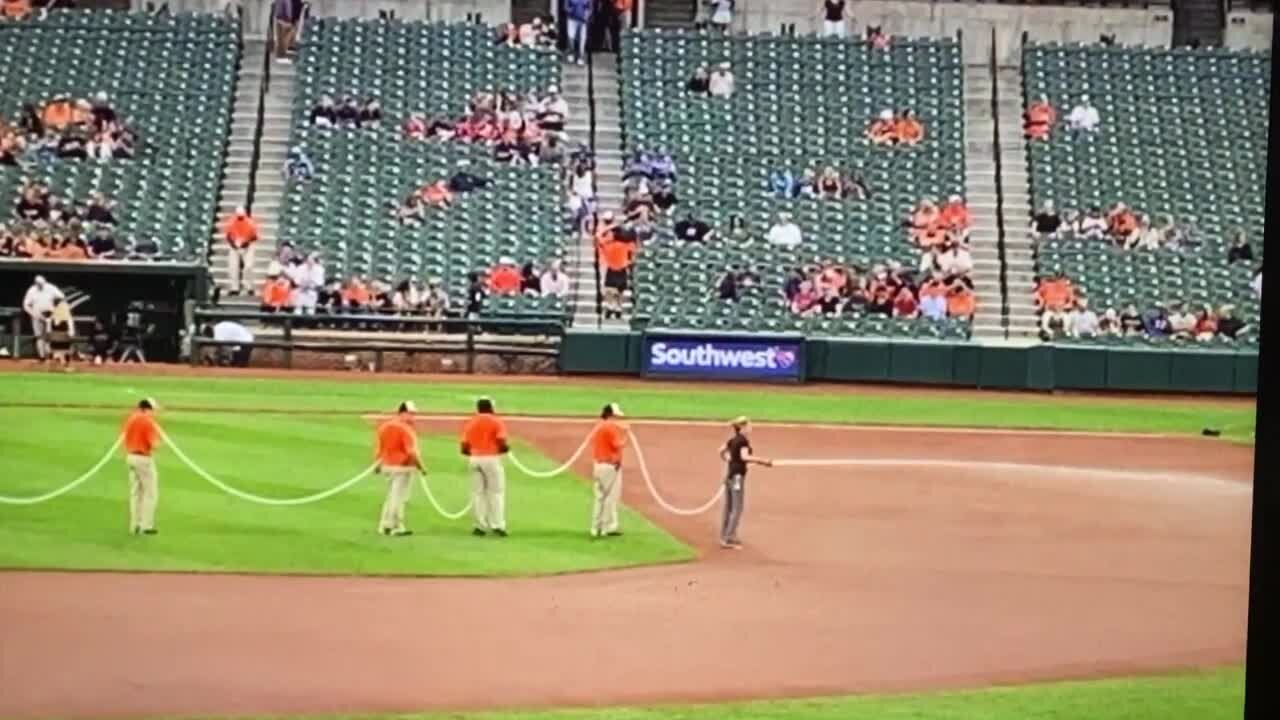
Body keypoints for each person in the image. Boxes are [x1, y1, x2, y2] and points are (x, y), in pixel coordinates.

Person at [718, 416, 772, 550]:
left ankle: (725, 535)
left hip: (730, 475)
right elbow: (745, 457)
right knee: (737, 507)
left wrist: (728, 460)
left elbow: (720, 451)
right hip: (737, 477)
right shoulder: (743, 441)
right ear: (743, 427)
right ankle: (729, 538)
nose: (751, 427)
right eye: (749, 425)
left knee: (728, 507)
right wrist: (763, 461)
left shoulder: (733, 440)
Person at [460, 397, 510, 537]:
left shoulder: (471, 422)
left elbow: (464, 445)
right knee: (496, 492)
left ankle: (480, 526)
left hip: (474, 458)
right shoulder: (496, 421)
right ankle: (498, 525)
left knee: (478, 493)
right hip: (491, 458)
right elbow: (501, 440)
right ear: (491, 408)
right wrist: (504, 449)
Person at [375, 401, 424, 537]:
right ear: (403, 413)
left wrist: (377, 465)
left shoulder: (385, 426)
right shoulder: (406, 429)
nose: (413, 417)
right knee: (399, 498)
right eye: (411, 414)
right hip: (402, 467)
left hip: (387, 466)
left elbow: (379, 448)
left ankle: (384, 525)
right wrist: (421, 467)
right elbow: (411, 452)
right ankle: (395, 526)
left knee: (391, 496)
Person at [122, 398, 163, 535]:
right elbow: (155, 445)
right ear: (147, 409)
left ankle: (135, 525)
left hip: (130, 457)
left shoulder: (131, 419)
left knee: (136, 493)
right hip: (143, 459)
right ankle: (146, 525)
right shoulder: (147, 422)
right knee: (150, 493)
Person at [590, 403, 628, 538]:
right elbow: (619, 444)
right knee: (610, 498)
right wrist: (626, 435)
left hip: (598, 465)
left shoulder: (599, 426)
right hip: (610, 467)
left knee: (599, 498)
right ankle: (606, 528)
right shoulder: (611, 428)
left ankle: (595, 528)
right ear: (611, 415)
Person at [23, 275, 64, 361]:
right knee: (39, 336)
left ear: (45, 282)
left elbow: (61, 297)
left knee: (49, 336)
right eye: (38, 284)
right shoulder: (32, 290)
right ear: (36, 283)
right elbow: (25, 305)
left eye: (42, 283)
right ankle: (42, 357)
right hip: (37, 316)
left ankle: (50, 355)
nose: (40, 285)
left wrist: (56, 311)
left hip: (49, 315)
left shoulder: (51, 287)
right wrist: (33, 314)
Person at [222, 207, 260, 296]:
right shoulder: (231, 222)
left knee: (248, 266)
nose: (240, 218)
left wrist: (246, 243)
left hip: (248, 246)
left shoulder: (250, 223)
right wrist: (233, 245)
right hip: (234, 245)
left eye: (241, 216)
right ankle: (234, 287)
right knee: (233, 266)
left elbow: (254, 236)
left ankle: (249, 286)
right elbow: (228, 235)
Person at [564, 0, 592, 65]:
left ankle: (580, 57)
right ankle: (571, 53)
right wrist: (571, 10)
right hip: (572, 19)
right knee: (571, 37)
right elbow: (565, 7)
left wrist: (587, 15)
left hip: (583, 21)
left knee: (582, 39)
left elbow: (590, 8)